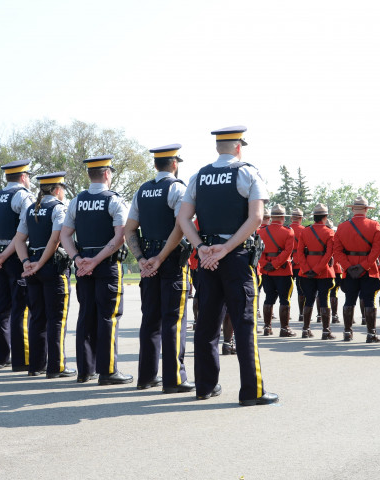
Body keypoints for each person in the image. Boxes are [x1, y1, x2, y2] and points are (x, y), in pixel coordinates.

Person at [176, 125, 278, 406]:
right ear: (239, 147)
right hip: (235, 258)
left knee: (206, 324)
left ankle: (205, 387)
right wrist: (226, 248)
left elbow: (184, 219)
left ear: (217, 148)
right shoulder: (247, 172)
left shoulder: (199, 176)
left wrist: (202, 248)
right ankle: (252, 392)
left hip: (206, 260)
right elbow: (256, 218)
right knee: (244, 324)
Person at [124, 144, 195, 393]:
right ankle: (175, 379)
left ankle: (146, 376)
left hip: (149, 262)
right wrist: (162, 257)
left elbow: (129, 229)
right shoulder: (177, 188)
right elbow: (181, 225)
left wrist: (142, 259)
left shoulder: (142, 191)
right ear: (174, 163)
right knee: (173, 321)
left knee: (150, 320)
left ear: (156, 165)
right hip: (171, 261)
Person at [60, 155, 133, 385]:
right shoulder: (114, 200)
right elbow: (120, 235)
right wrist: (95, 260)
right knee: (108, 317)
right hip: (106, 265)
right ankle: (108, 371)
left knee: (86, 316)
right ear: (107, 174)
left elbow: (65, 235)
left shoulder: (76, 201)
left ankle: (85, 370)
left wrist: (79, 258)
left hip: (84, 267)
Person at [13, 172, 75, 378]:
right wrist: (40, 262)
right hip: (52, 268)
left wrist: (26, 262)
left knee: (38, 318)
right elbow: (55, 239)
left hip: (33, 269)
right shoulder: (58, 208)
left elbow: (19, 239)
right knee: (57, 319)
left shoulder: (31, 209)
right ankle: (56, 366)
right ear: (57, 189)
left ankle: (36, 365)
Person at [0, 159, 35, 371]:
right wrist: (4, 256)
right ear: (23, 177)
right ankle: (22, 360)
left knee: (1, 309)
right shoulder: (23, 196)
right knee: (20, 309)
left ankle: (0, 358)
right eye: (28, 176)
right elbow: (23, 232)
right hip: (14, 258)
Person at [333, 196, 380, 343]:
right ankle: (371, 334)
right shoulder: (374, 225)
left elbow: (337, 251)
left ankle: (347, 332)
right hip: (368, 269)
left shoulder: (342, 227)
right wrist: (364, 266)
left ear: (353, 209)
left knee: (349, 300)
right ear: (366, 209)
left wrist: (348, 266)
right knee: (369, 301)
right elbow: (376, 250)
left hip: (349, 270)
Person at [294, 203, 336, 339]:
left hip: (306, 272)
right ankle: (325, 331)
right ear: (325, 217)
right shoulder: (329, 232)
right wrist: (318, 269)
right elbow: (329, 253)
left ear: (314, 217)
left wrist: (307, 269)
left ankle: (305, 330)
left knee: (308, 300)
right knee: (324, 299)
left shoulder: (304, 231)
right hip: (323, 271)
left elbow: (299, 252)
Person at [258, 204, 296, 337]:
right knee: (284, 300)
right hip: (283, 271)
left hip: (267, 271)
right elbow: (287, 252)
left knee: (269, 298)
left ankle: (267, 328)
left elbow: (258, 251)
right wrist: (275, 264)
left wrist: (266, 264)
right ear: (282, 218)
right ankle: (284, 329)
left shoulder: (261, 231)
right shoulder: (288, 232)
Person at [289, 208, 306, 323]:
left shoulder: (286, 229)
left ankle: (287, 314)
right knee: (301, 291)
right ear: (301, 218)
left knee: (287, 291)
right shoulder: (304, 230)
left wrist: (292, 259)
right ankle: (301, 314)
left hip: (287, 263)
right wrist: (298, 259)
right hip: (300, 264)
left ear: (291, 218)